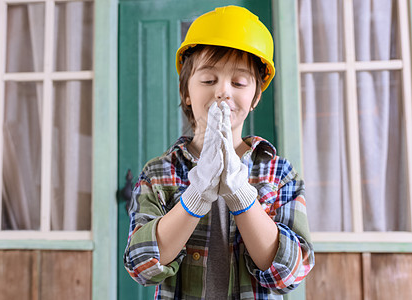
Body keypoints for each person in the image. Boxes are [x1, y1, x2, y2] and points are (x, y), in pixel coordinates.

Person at [124, 5, 314, 299]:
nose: (223, 91)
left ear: (255, 97)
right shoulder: (158, 173)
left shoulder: (280, 174)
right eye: (208, 80)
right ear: (186, 92)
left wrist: (240, 193)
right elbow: (141, 265)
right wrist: (196, 194)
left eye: (238, 82)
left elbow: (289, 273)